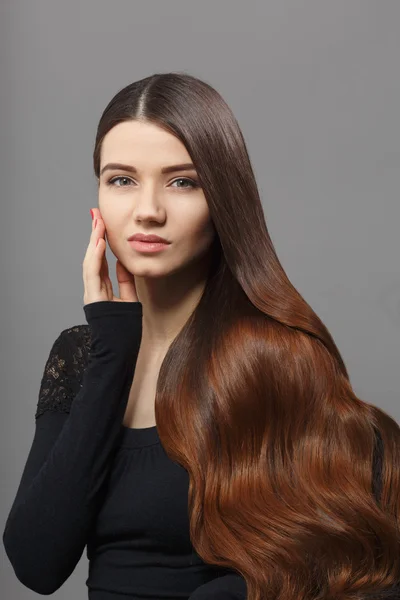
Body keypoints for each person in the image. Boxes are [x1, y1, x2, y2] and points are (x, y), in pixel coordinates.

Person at [3, 72, 400, 600]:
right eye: (121, 180)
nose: (148, 210)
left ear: (223, 201)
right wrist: (114, 352)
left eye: (182, 182)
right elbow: (36, 562)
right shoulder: (82, 355)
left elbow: (360, 557)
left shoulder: (274, 354)